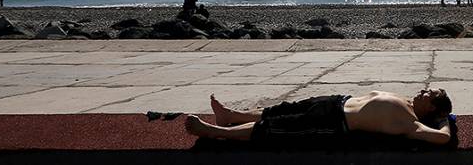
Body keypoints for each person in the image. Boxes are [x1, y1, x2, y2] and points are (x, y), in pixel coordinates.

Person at [185, 89, 454, 147]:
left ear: (433, 108)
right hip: (336, 102)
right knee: (282, 110)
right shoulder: (406, 102)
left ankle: (214, 131)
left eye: (429, 93)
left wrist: (445, 120)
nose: (423, 90)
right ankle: (230, 115)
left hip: (333, 124)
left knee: (274, 127)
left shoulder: (411, 123)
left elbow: (442, 139)